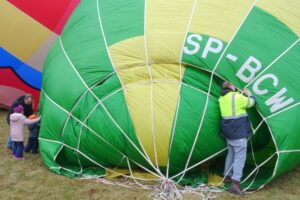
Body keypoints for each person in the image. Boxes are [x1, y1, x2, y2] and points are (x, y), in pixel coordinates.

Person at [218, 82, 256, 196]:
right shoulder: (237, 97)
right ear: (231, 87)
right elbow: (252, 103)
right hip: (238, 132)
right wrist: (248, 94)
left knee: (231, 154)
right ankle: (235, 184)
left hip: (228, 133)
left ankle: (227, 176)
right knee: (240, 157)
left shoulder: (221, 99)